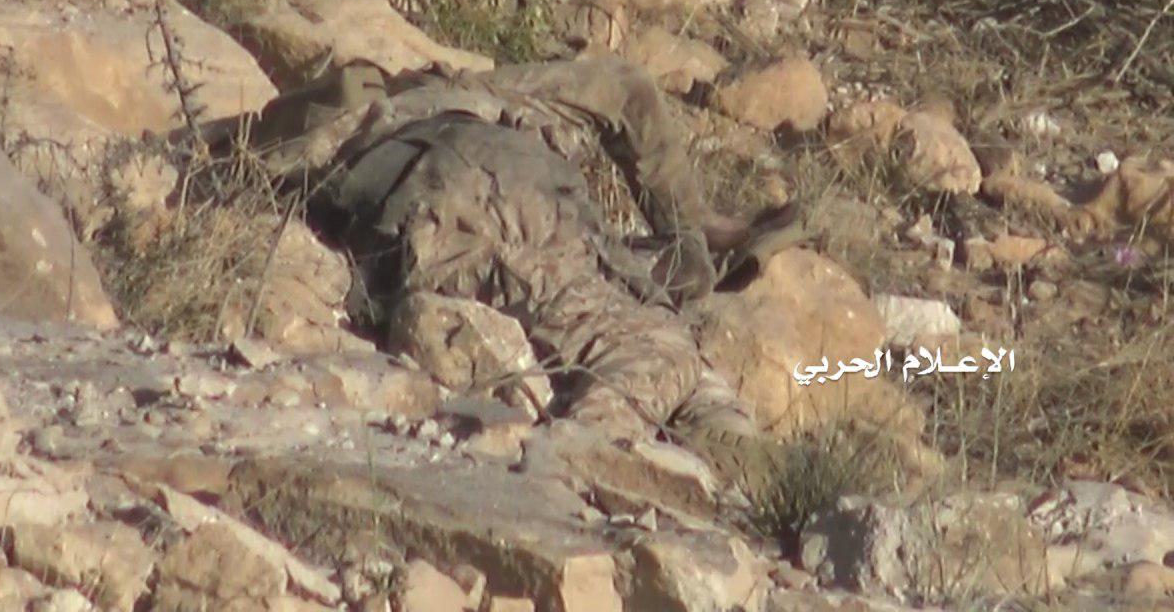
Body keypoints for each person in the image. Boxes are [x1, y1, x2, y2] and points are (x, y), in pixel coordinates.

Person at [217, 55, 807, 484]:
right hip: (492, 213)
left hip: (477, 214)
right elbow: (626, 86)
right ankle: (586, 459)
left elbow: (233, 161)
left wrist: (690, 238)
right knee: (658, 348)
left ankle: (726, 439)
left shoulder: (358, 130)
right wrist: (690, 227)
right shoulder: (470, 94)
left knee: (671, 348)